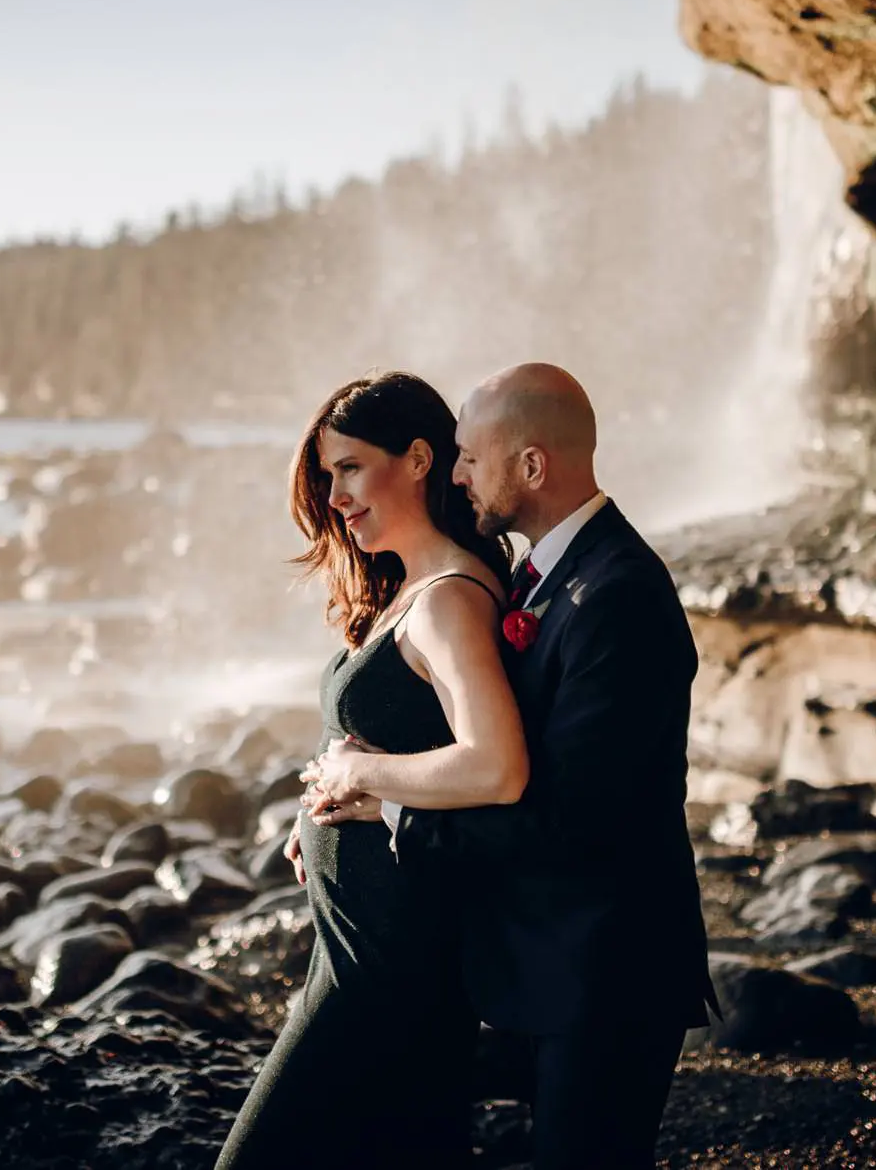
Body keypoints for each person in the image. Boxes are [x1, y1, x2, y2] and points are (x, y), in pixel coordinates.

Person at [307, 362, 715, 1170]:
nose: (455, 474)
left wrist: (383, 799)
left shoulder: (618, 596)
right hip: (539, 961)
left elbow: (570, 820)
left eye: (468, 455)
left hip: (608, 973)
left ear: (532, 466)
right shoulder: (544, 578)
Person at [215, 370, 527, 1169]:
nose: (335, 494)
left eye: (349, 467)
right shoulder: (409, 590)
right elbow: (386, 739)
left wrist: (363, 778)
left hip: (391, 966)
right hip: (359, 947)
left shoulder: (449, 598)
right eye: (327, 475)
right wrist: (324, 795)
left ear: (419, 459)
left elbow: (496, 765)